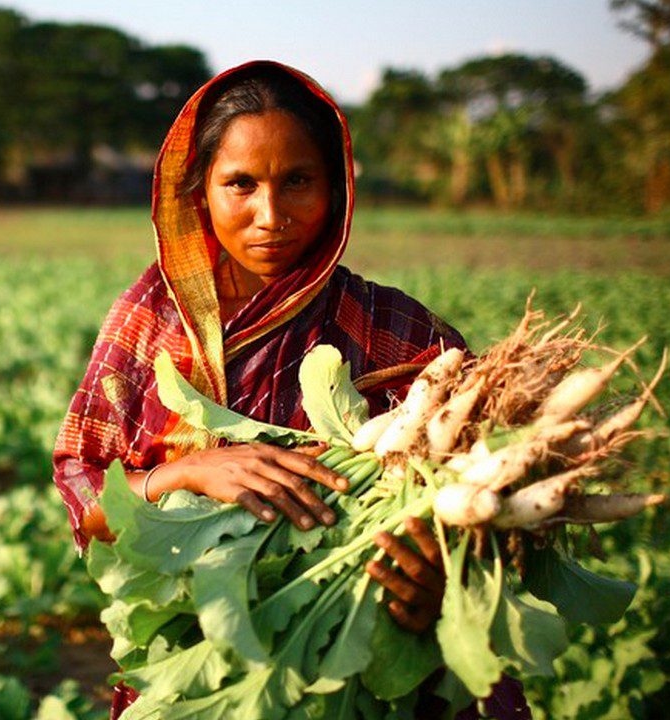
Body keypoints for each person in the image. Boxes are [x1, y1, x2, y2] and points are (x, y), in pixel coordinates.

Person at [52, 61, 528, 719]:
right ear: (199, 192)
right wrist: (185, 475)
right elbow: (86, 498)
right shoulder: (150, 320)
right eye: (239, 184)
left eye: (298, 181)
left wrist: (442, 584)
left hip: (371, 673)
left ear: (336, 190)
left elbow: (494, 523)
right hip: (197, 675)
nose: (269, 215)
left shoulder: (407, 335)